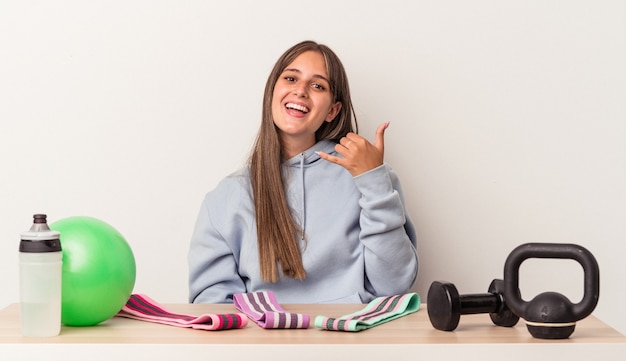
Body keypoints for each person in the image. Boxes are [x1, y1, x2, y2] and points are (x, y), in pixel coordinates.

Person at [188, 40, 418, 304]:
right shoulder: (226, 197)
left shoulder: (368, 176)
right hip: (264, 343)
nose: (300, 91)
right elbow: (213, 304)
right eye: (290, 78)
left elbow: (394, 286)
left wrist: (373, 180)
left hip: (353, 338)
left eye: (318, 85)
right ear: (272, 92)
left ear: (333, 110)